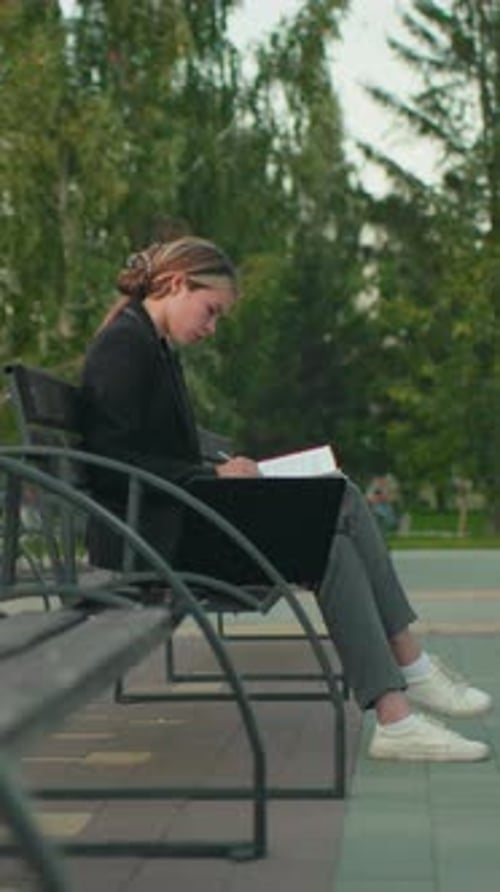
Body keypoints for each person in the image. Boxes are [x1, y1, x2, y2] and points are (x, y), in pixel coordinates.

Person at [80, 236, 492, 763]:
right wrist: (211, 474)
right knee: (335, 501)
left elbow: (150, 451)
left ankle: (396, 716)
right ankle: (409, 670)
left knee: (330, 533)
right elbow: (111, 466)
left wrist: (218, 469)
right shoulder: (126, 346)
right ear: (178, 283)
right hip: (152, 540)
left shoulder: (149, 345)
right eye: (211, 312)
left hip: (169, 522)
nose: (211, 327)